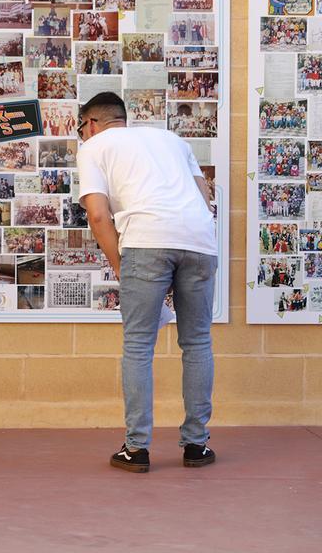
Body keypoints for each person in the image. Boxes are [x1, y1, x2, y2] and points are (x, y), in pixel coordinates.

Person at [75, 91, 218, 474]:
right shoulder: (172, 140)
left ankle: (136, 449)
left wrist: (121, 265)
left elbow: (98, 216)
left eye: (80, 129)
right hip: (200, 240)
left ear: (90, 124)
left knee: (139, 344)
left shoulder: (94, 147)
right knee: (198, 340)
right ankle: (196, 445)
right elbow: (204, 197)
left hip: (145, 240)